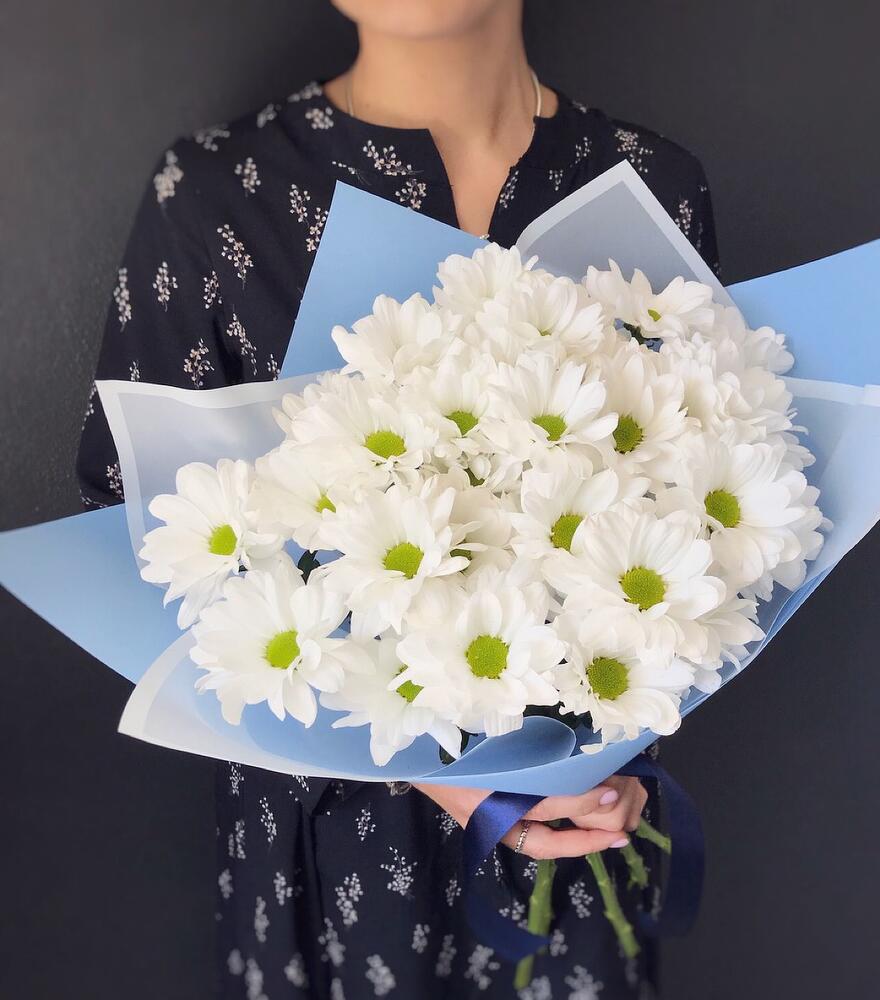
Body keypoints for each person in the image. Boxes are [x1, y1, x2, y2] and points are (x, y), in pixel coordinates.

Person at [76, 1, 719, 996]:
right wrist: (440, 766)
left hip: (581, 834)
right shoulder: (215, 195)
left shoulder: (651, 186)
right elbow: (130, 528)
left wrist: (622, 743)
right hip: (332, 847)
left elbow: (707, 507)